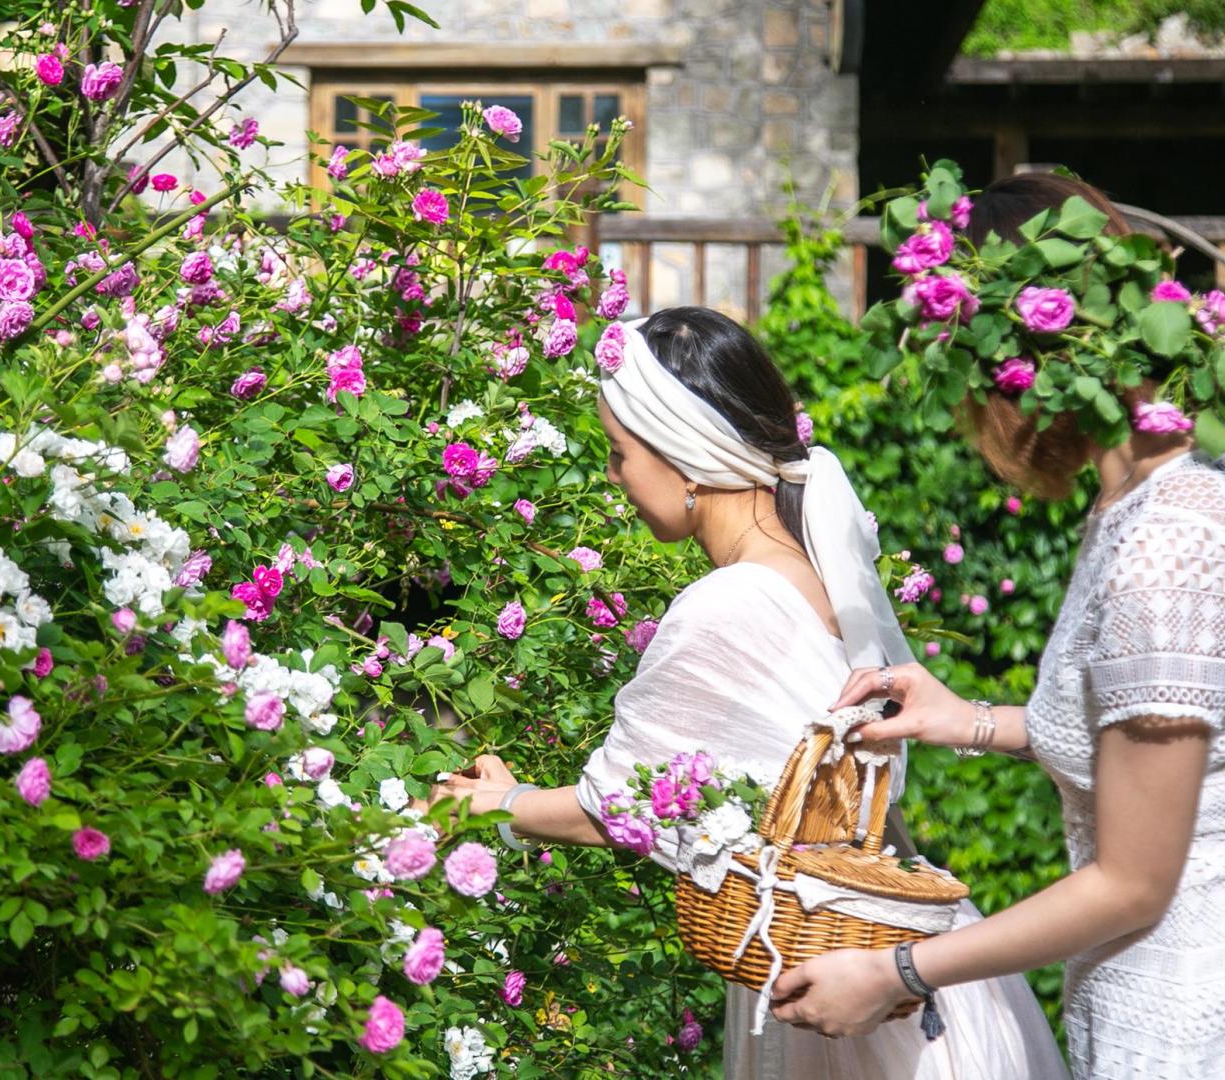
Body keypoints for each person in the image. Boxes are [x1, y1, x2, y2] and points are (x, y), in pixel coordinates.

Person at [765, 174, 1225, 1080]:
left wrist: (898, 970)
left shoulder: (1170, 542)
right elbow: (1178, 748)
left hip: (1213, 1025)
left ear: (1013, 364)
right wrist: (969, 719)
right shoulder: (1198, 460)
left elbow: (1134, 880)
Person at [431, 306, 1069, 1079]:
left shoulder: (728, 605)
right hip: (905, 968)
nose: (613, 477)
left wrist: (500, 805)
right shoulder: (811, 568)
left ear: (686, 456)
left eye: (619, 453)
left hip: (849, 999)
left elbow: (628, 805)